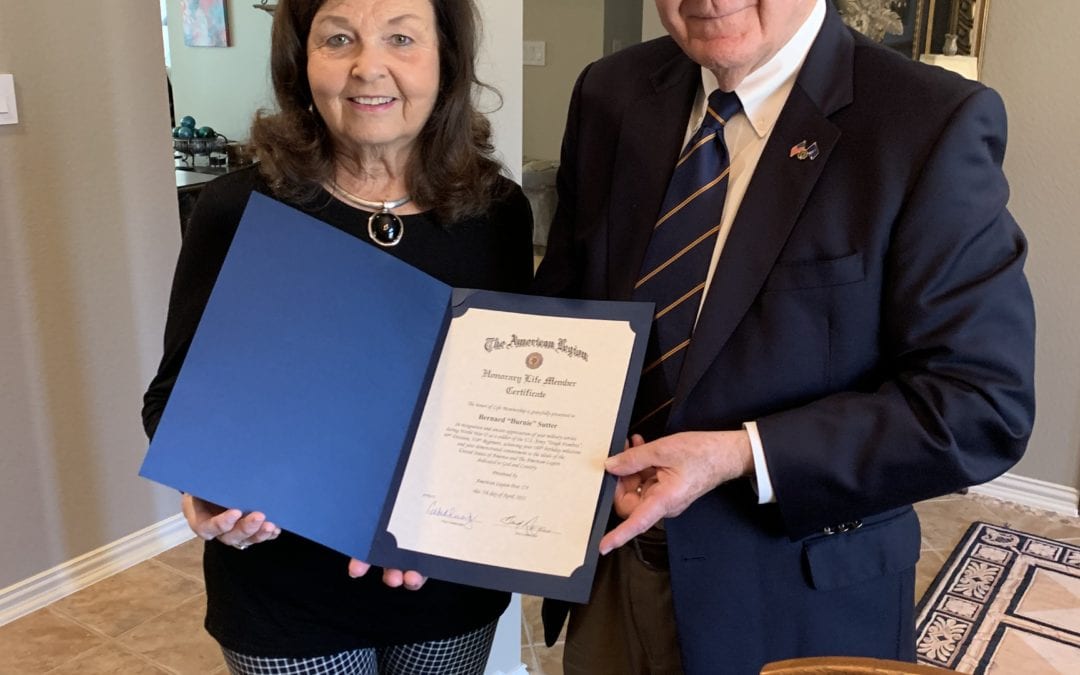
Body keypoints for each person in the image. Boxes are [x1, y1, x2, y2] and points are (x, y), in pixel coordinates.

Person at [533, 0, 1035, 673]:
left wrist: (741, 453)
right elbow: (564, 307)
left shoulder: (927, 122)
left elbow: (980, 406)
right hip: (612, 568)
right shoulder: (610, 91)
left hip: (793, 600)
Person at [142, 1, 533, 673]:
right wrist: (205, 486)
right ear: (303, 62)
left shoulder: (497, 213)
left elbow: (511, 400)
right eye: (339, 39)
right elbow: (174, 397)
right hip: (283, 587)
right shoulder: (239, 208)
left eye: (402, 38)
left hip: (445, 581)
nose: (367, 66)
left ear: (446, 61)